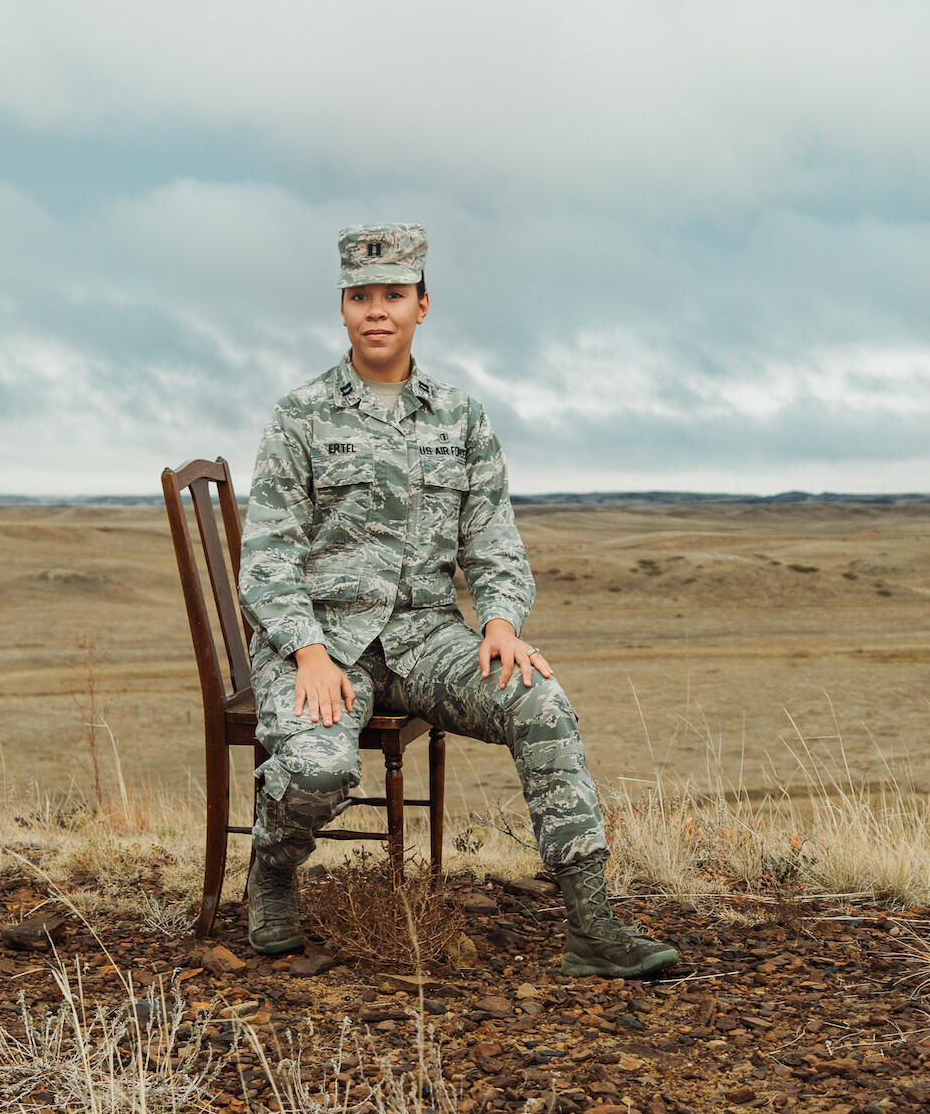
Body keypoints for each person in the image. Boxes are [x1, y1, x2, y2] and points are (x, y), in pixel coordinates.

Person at [237, 223, 678, 979]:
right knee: (315, 771)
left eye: (394, 296)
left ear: (422, 306)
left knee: (540, 699)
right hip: (319, 644)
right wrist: (306, 652)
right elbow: (268, 558)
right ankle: (273, 868)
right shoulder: (300, 415)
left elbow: (494, 541)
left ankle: (592, 924)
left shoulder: (460, 418)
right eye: (360, 297)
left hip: (423, 642)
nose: (377, 310)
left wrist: (501, 621)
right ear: (343, 309)